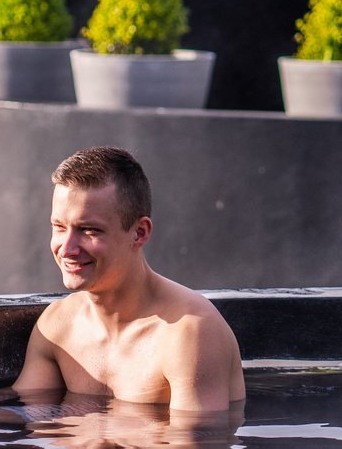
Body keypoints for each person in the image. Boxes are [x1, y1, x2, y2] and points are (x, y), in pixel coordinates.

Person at [15, 146, 244, 412]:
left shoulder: (188, 333)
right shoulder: (57, 326)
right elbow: (23, 417)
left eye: (89, 230)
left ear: (139, 233)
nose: (67, 249)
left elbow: (196, 447)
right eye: (59, 227)